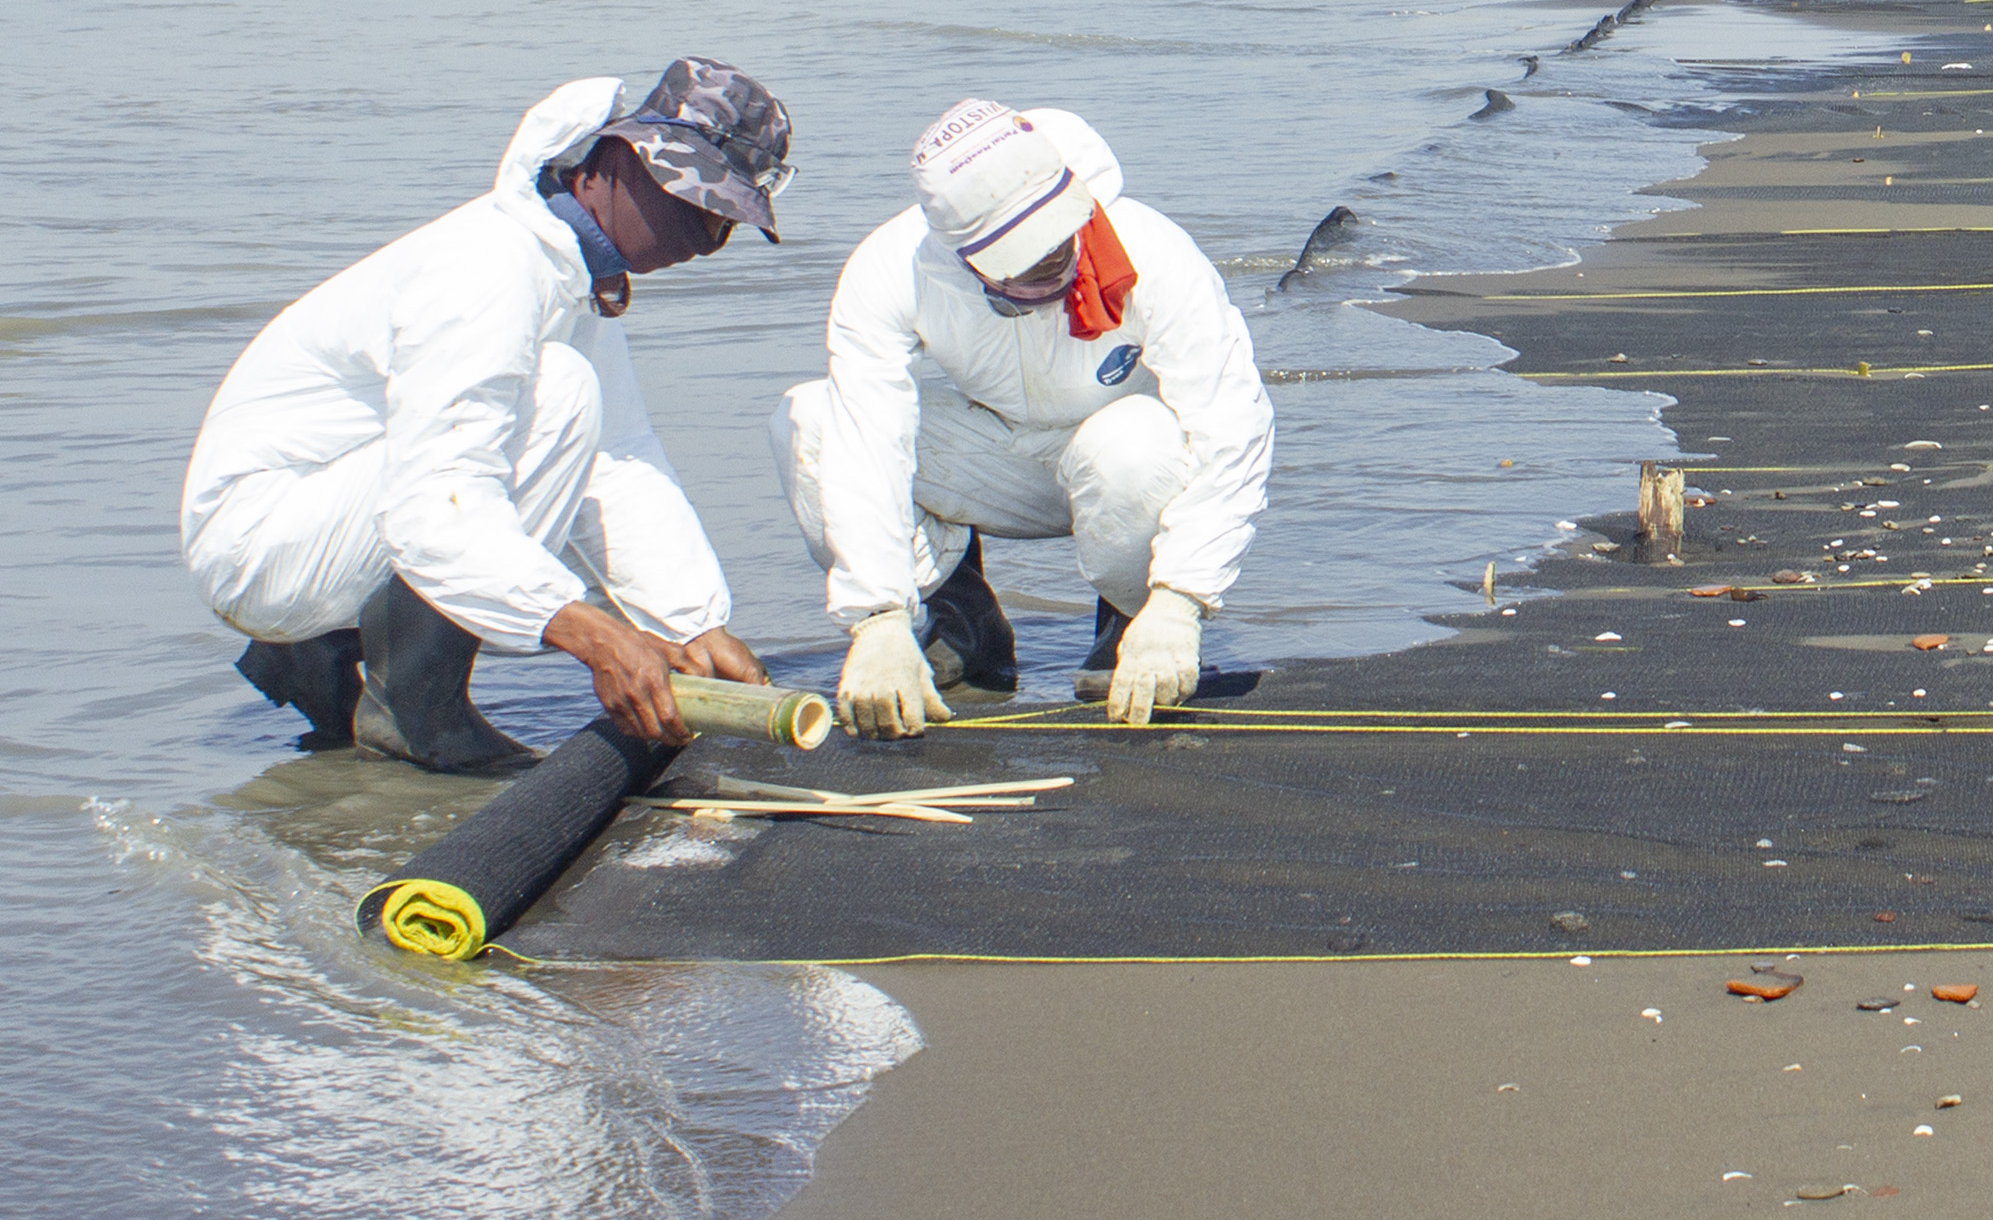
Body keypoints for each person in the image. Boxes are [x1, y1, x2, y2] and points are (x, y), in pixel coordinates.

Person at [179, 63, 791, 772]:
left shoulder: (571, 278)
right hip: (261, 538)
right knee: (560, 394)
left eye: (728, 219)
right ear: (616, 161)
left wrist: (691, 623)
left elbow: (620, 458)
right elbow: (435, 505)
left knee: (576, 403)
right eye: (696, 200)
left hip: (326, 512)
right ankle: (417, 706)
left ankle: (325, 650)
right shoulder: (488, 268)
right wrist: (592, 635)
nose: (711, 237)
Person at [772, 101, 1273, 734]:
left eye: (1056, 241)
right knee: (811, 419)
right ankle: (962, 626)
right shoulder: (891, 268)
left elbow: (1233, 429)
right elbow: (866, 442)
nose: (1049, 262)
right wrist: (877, 619)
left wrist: (1181, 599)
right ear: (961, 252)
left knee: (1134, 443)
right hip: (998, 458)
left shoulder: (1153, 248)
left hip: (1124, 469)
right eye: (1020, 258)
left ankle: (1132, 618)